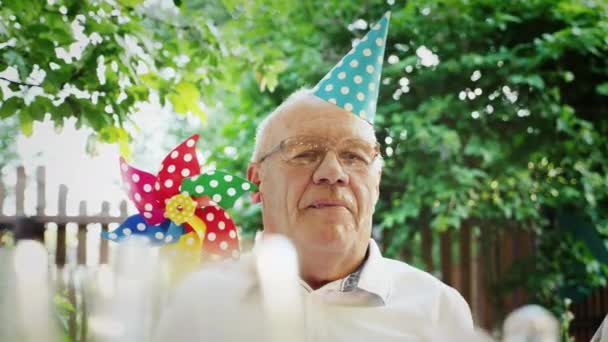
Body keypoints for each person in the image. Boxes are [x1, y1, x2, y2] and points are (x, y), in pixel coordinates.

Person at [156, 12, 474, 341]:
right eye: (305, 152)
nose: (333, 174)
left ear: (376, 184)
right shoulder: (199, 305)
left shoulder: (439, 313)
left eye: (354, 156)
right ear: (257, 180)